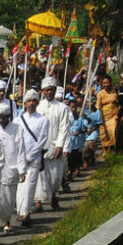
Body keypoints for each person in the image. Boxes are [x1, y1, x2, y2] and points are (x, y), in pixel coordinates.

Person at [37, 76, 72, 211]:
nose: (49, 92)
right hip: (41, 146)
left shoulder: (62, 108)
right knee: (40, 175)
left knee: (55, 176)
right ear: (43, 91)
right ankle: (39, 202)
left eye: (51, 90)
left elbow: (64, 127)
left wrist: (60, 145)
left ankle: (53, 196)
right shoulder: (38, 107)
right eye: (47, 90)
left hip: (55, 145)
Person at [16, 90, 49, 228]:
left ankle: (26, 213)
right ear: (24, 103)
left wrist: (30, 156)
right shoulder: (17, 121)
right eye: (29, 101)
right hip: (19, 159)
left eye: (33, 101)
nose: (31, 103)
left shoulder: (43, 120)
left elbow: (42, 140)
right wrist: (21, 158)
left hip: (34, 159)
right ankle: (20, 210)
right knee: (20, 187)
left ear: (37, 103)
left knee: (30, 186)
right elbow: (15, 141)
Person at [0, 104, 24, 234]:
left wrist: (22, 170)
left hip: (11, 168)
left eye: (3, 117)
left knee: (9, 199)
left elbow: (21, 150)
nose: (1, 120)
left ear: (8, 117)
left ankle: (7, 222)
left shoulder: (17, 129)